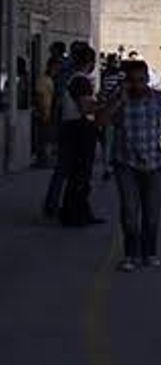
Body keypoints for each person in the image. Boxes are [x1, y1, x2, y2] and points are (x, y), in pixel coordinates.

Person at [97, 61, 161, 272]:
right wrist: (118, 100)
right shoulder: (119, 99)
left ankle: (150, 253)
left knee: (151, 213)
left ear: (147, 79)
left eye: (142, 80)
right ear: (126, 81)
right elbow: (100, 121)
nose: (138, 85)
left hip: (152, 164)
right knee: (129, 212)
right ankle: (130, 254)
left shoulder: (158, 99)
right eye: (133, 81)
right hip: (125, 163)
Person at [57, 44, 102, 226]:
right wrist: (103, 106)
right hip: (79, 128)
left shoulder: (75, 79)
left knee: (79, 173)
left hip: (74, 127)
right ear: (89, 62)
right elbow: (85, 107)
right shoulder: (81, 81)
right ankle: (73, 213)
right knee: (80, 174)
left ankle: (80, 211)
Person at [41, 41, 72, 216]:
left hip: (63, 116)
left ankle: (57, 205)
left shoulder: (64, 70)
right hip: (65, 118)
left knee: (65, 169)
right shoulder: (69, 71)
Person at [97, 54, 126, 181]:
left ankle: (107, 166)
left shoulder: (104, 75)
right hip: (119, 110)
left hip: (107, 109)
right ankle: (116, 163)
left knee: (108, 139)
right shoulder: (121, 76)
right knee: (119, 138)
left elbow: (102, 93)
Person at [33, 56, 58, 168]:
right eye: (55, 68)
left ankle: (45, 158)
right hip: (44, 111)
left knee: (47, 136)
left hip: (48, 111)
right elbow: (39, 96)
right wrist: (42, 111)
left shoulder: (50, 80)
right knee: (43, 137)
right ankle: (42, 159)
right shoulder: (43, 80)